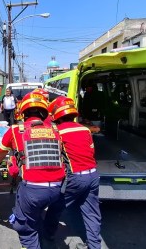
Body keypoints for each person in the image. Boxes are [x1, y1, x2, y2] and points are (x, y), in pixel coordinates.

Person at [0, 91, 65, 249]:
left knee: (26, 229)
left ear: (22, 112)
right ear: (43, 112)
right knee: (41, 216)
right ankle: (48, 236)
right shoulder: (55, 130)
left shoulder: (15, 130)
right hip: (57, 190)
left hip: (32, 190)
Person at [45, 96, 101, 249]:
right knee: (91, 212)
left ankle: (47, 236)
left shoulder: (57, 132)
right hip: (94, 175)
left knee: (56, 207)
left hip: (75, 177)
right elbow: (90, 151)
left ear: (56, 115)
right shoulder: (85, 129)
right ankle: (95, 245)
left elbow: (54, 156)